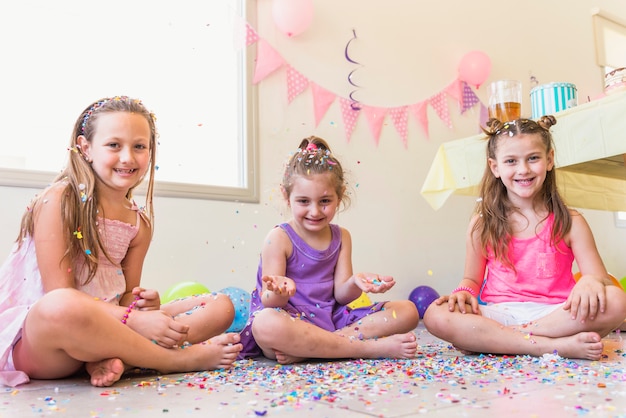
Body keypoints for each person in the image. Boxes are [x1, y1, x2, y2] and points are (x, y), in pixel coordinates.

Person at [0, 96, 242, 388]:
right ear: (85, 148)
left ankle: (118, 359)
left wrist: (141, 306)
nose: (127, 157)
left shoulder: (139, 223)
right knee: (59, 305)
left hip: (115, 327)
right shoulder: (60, 200)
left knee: (221, 305)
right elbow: (58, 294)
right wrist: (135, 320)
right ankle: (175, 360)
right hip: (50, 344)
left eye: (139, 146)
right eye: (114, 145)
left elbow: (126, 295)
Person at [423, 116, 626, 361]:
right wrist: (464, 292)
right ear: (495, 167)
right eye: (511, 161)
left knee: (616, 300)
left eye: (533, 158)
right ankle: (548, 346)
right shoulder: (482, 223)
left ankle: (504, 340)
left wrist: (591, 282)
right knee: (436, 313)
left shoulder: (571, 221)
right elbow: (471, 279)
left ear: (549, 159)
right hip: (498, 313)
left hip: (557, 316)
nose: (523, 170)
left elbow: (600, 278)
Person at [238, 136, 419, 364]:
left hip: (331, 321)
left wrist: (356, 282)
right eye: (303, 201)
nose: (314, 211)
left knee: (407, 310)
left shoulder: (342, 236)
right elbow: (268, 301)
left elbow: (341, 296)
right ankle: (365, 349)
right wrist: (279, 292)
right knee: (265, 323)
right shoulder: (279, 238)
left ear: (340, 196)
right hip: (291, 322)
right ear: (287, 197)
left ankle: (319, 347)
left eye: (324, 201)